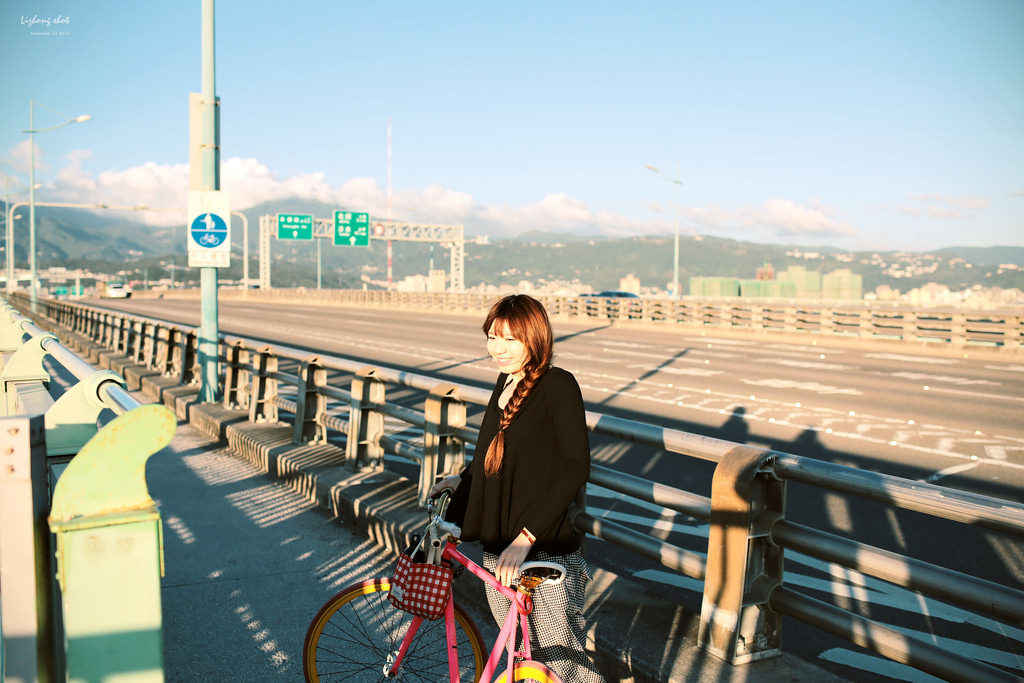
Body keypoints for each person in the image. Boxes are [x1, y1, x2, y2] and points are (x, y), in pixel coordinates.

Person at [430, 293, 605, 683]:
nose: (499, 349)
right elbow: (493, 452)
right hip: (499, 549)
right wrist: (463, 480)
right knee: (524, 657)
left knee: (562, 663)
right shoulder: (505, 381)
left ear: (535, 338)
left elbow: (575, 466)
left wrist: (527, 537)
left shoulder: (558, 385)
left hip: (543, 553)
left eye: (511, 339)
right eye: (493, 337)